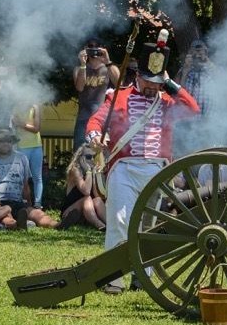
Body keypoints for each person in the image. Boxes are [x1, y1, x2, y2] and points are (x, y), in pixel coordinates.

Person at [86, 34, 200, 293]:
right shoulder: (118, 97)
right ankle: (113, 278)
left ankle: (143, 278)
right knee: (119, 220)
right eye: (149, 81)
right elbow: (95, 121)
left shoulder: (167, 100)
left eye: (157, 83)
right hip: (124, 168)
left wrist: (170, 83)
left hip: (157, 170)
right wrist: (95, 136)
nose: (152, 88)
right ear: (138, 76)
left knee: (147, 225)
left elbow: (193, 110)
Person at [0, 127, 57, 230]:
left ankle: (56, 225)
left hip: (17, 201)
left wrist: (29, 203)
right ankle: (17, 225)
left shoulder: (22, 158)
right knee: (6, 217)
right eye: (1, 140)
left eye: (9, 140)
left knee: (37, 213)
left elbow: (25, 185)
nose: (6, 143)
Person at [72, 39, 119, 151]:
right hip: (83, 118)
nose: (93, 51)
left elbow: (119, 83)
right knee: (80, 153)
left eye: (96, 48)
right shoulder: (79, 69)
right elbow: (79, 87)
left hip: (102, 119)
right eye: (90, 48)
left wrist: (107, 61)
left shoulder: (108, 68)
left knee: (103, 153)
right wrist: (83, 65)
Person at [58, 144, 106, 230]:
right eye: (88, 157)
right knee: (87, 198)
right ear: (81, 158)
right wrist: (88, 171)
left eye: (93, 156)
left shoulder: (91, 171)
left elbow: (96, 194)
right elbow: (86, 191)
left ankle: (110, 223)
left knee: (97, 200)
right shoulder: (75, 170)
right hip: (70, 211)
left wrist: (95, 173)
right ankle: (99, 224)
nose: (91, 159)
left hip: (87, 212)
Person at [12, 102, 45, 211]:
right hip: (21, 147)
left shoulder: (35, 107)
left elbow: (36, 128)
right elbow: (14, 124)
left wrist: (22, 124)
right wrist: (24, 125)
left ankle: (38, 204)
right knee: (23, 177)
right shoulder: (15, 107)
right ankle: (24, 203)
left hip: (37, 146)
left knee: (37, 177)